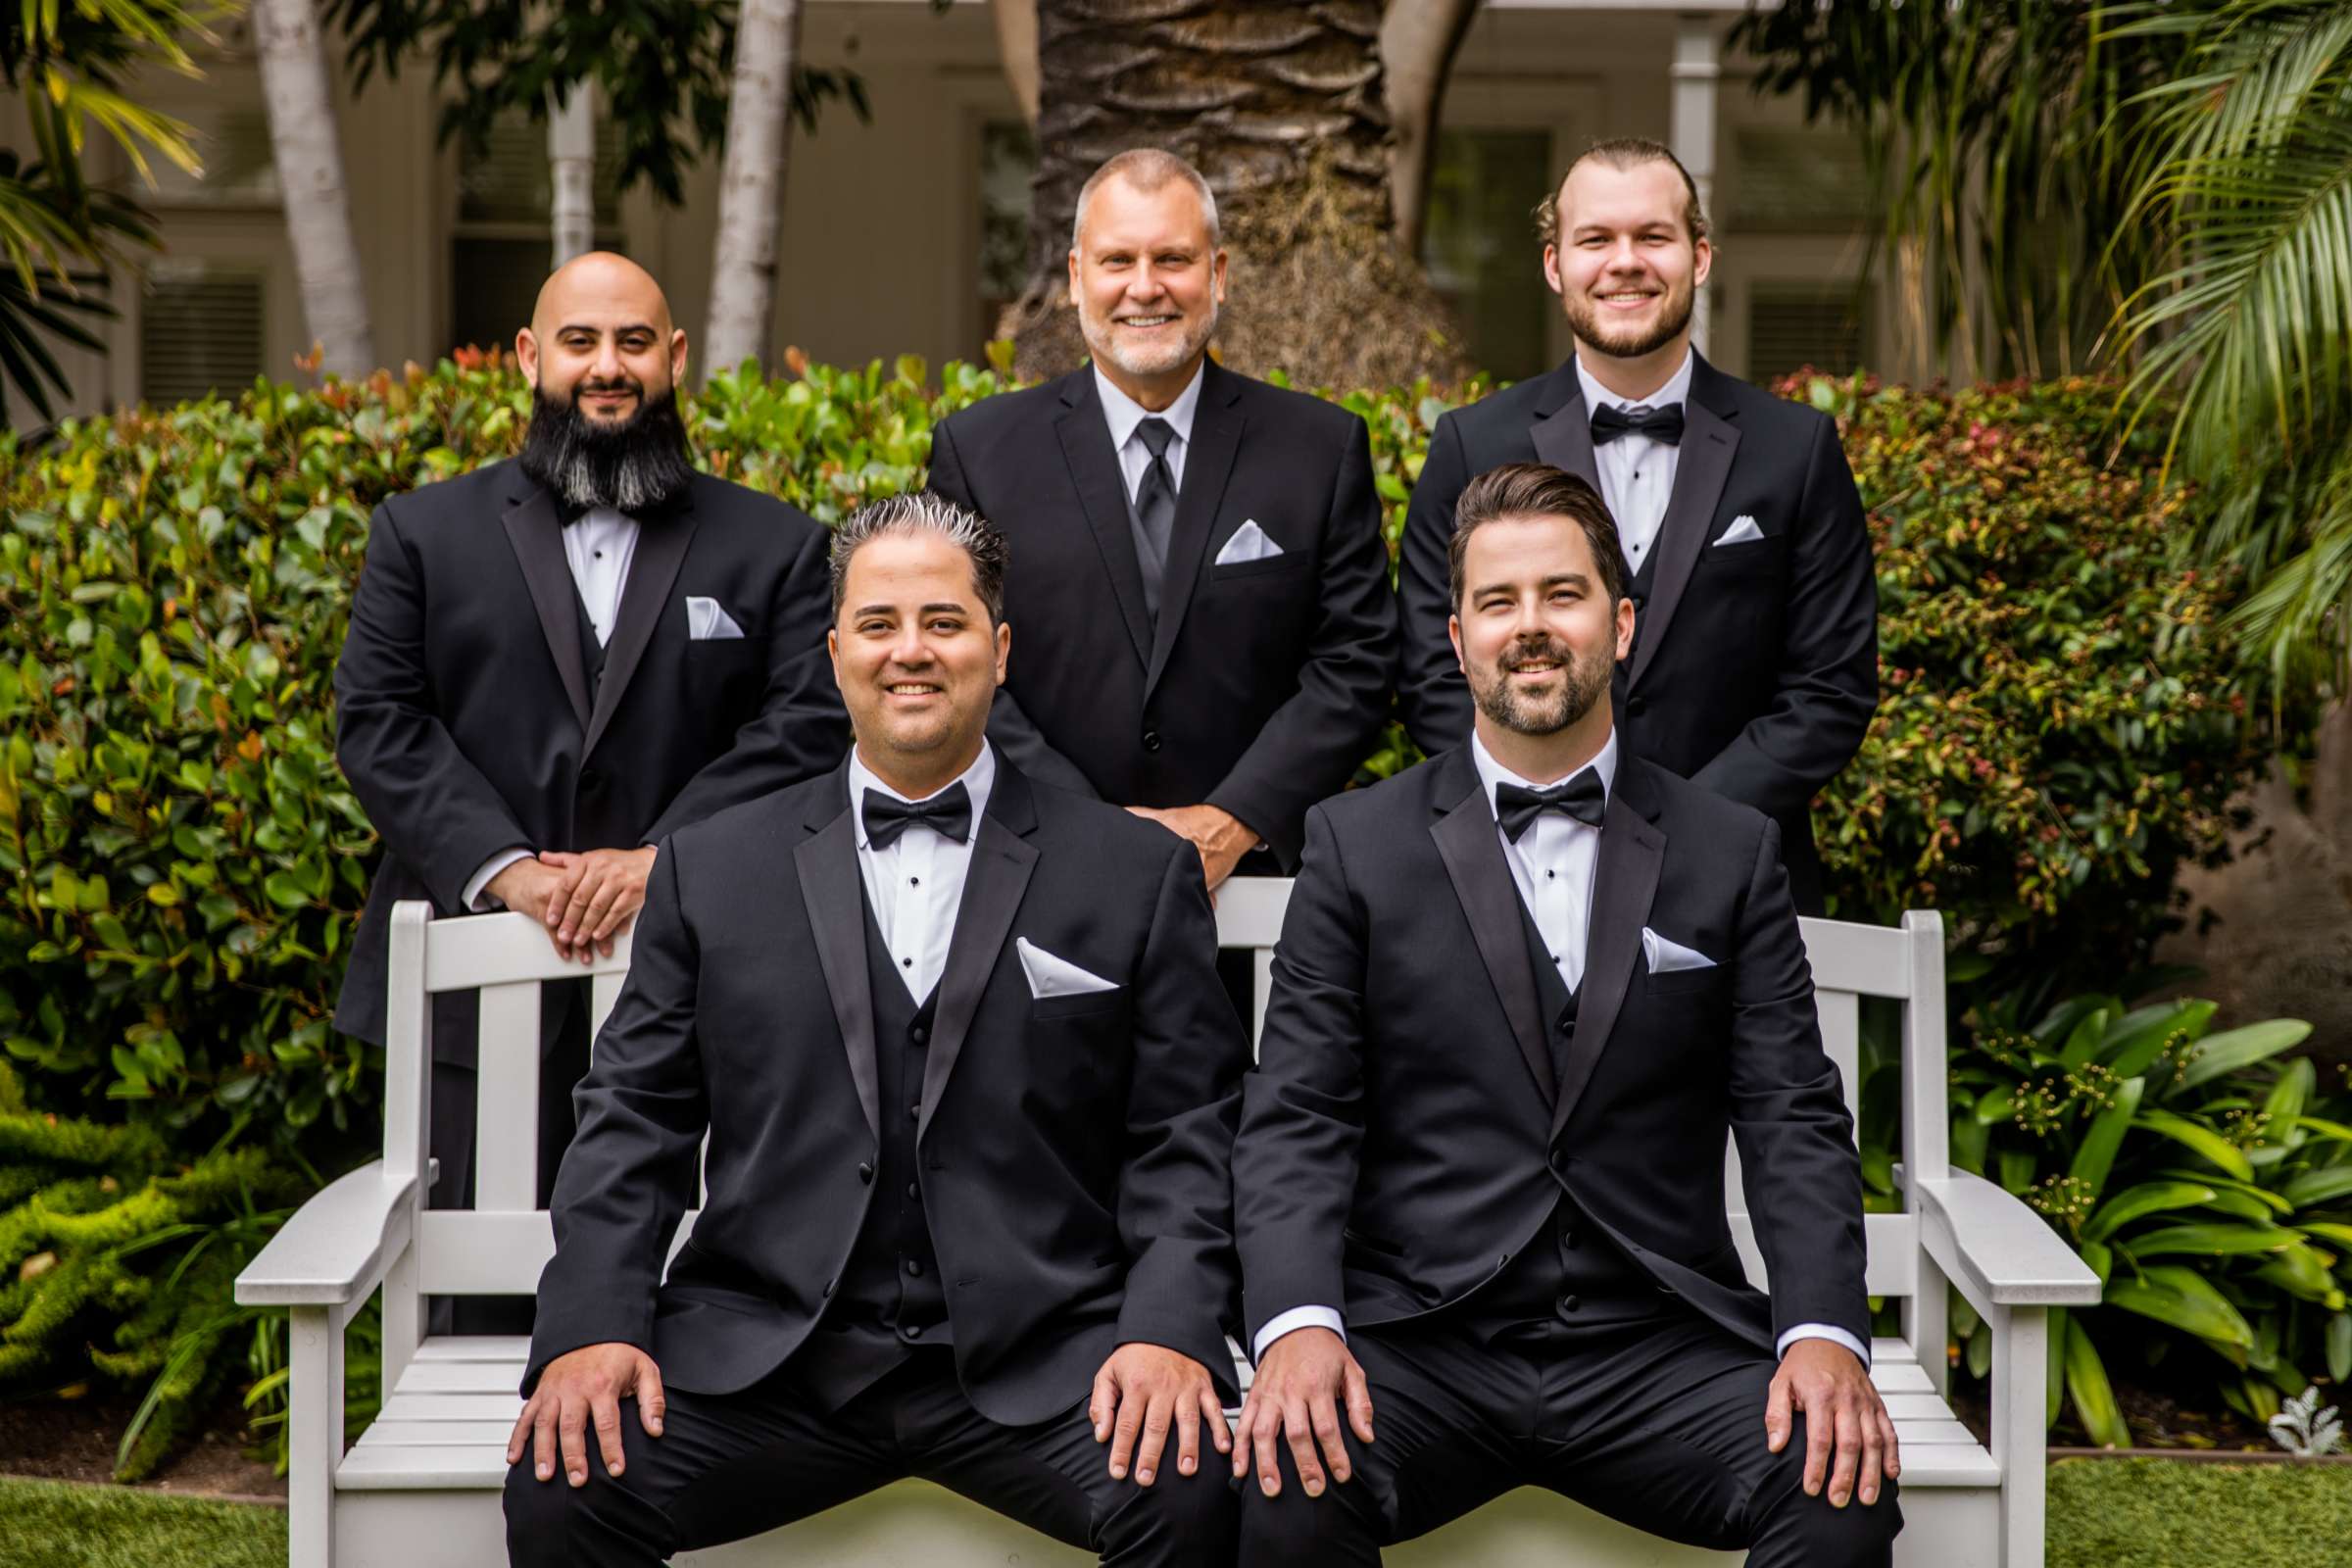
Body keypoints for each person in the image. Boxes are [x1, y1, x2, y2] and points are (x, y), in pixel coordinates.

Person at [503, 494, 1249, 1566]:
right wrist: (593, 1325)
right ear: (835, 649)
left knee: (1188, 1488)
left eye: (944, 622)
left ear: (998, 649)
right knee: (566, 1483)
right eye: (880, 623)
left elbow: (1187, 1134)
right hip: (770, 1361)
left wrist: (1170, 1328)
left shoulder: (1133, 874)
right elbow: (633, 1121)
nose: (912, 651)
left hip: (1047, 1355)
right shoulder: (711, 870)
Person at [1232, 464, 1899, 1565]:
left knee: (1835, 1487)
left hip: (1660, 1346)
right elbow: (1298, 1117)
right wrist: (1300, 1324)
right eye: (1498, 602)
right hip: (1424, 1340)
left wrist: (1822, 1332)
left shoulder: (1729, 852)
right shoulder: (1356, 848)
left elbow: (1791, 1115)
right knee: (1287, 1480)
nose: (1530, 628)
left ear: (1621, 621)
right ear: (1457, 638)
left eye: (1563, 594)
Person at [333, 253, 847, 1326]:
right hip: (472, 1015)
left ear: (675, 359)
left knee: (696, 1299)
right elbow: (381, 723)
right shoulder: (422, 536)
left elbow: (805, 727)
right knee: (475, 1315)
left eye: (631, 343)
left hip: (710, 995)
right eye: (580, 342)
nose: (606, 367)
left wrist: (661, 861)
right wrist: (511, 871)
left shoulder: (780, 547)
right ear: (530, 357)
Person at [1394, 138, 1877, 913]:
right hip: (1513, 870)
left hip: (1736, 886)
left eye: (1653, 236)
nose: (1625, 262)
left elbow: (1830, 689)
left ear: (1701, 256)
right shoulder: (1470, 444)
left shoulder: (1797, 450)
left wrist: (1681, 826)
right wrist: (1554, 804)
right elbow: (1428, 665)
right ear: (1555, 266)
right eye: (1596, 240)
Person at [926, 148, 1396, 891]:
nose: (1145, 288)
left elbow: (1358, 662)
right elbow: (959, 660)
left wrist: (1233, 821)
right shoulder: (979, 454)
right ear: (1078, 278)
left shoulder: (1320, 449)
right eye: (1118, 261)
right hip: (1040, 878)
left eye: (1173, 259)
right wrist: (1089, 827)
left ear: (1219, 274)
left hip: (1257, 888)